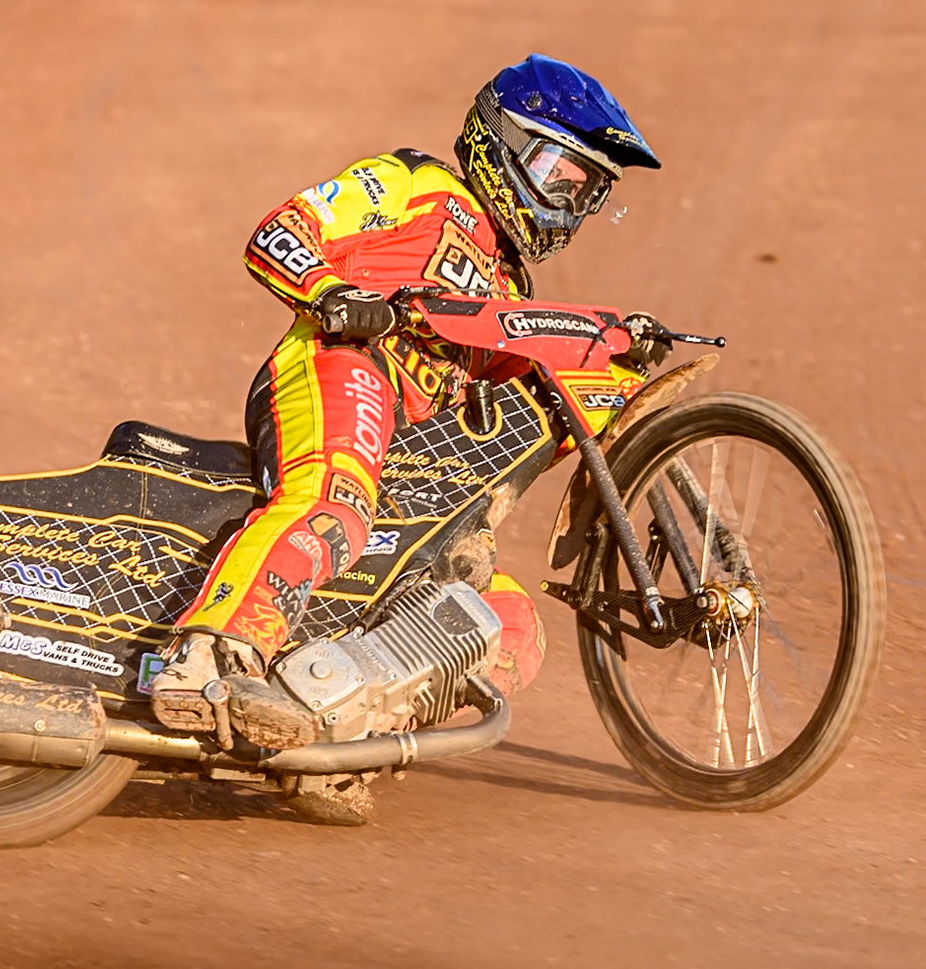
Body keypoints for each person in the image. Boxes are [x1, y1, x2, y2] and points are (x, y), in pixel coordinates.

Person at [149, 54, 663, 749]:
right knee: (335, 503)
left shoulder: (504, 288)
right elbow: (279, 232)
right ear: (504, 144)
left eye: (586, 193)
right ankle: (207, 656)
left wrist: (609, 344)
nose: (569, 206)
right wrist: (333, 294)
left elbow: (516, 374)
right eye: (560, 178)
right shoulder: (415, 182)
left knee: (508, 619)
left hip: (402, 446)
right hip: (336, 365)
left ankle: (344, 742)